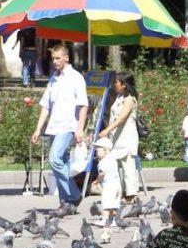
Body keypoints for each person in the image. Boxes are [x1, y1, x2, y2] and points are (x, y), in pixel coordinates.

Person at [30, 44, 88, 211]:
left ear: (66, 58)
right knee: (61, 162)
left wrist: (80, 129)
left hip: (68, 126)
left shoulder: (76, 77)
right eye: (53, 58)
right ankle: (66, 202)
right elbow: (46, 106)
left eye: (58, 58)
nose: (55, 61)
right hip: (53, 127)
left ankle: (75, 195)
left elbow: (83, 105)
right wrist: (38, 129)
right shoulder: (53, 78)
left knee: (54, 159)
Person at [96, 72, 139, 201]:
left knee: (128, 166)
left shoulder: (130, 99)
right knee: (118, 167)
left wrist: (106, 130)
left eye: (116, 82)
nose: (114, 84)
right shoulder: (119, 97)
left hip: (127, 137)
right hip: (116, 138)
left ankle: (131, 195)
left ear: (124, 84)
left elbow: (121, 119)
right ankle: (121, 192)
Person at [91, 136, 120, 228]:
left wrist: (96, 181)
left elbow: (102, 174)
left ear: (105, 150)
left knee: (106, 203)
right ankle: (114, 220)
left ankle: (105, 219)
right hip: (117, 186)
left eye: (97, 151)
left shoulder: (103, 161)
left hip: (109, 186)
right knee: (114, 203)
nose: (96, 153)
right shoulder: (113, 159)